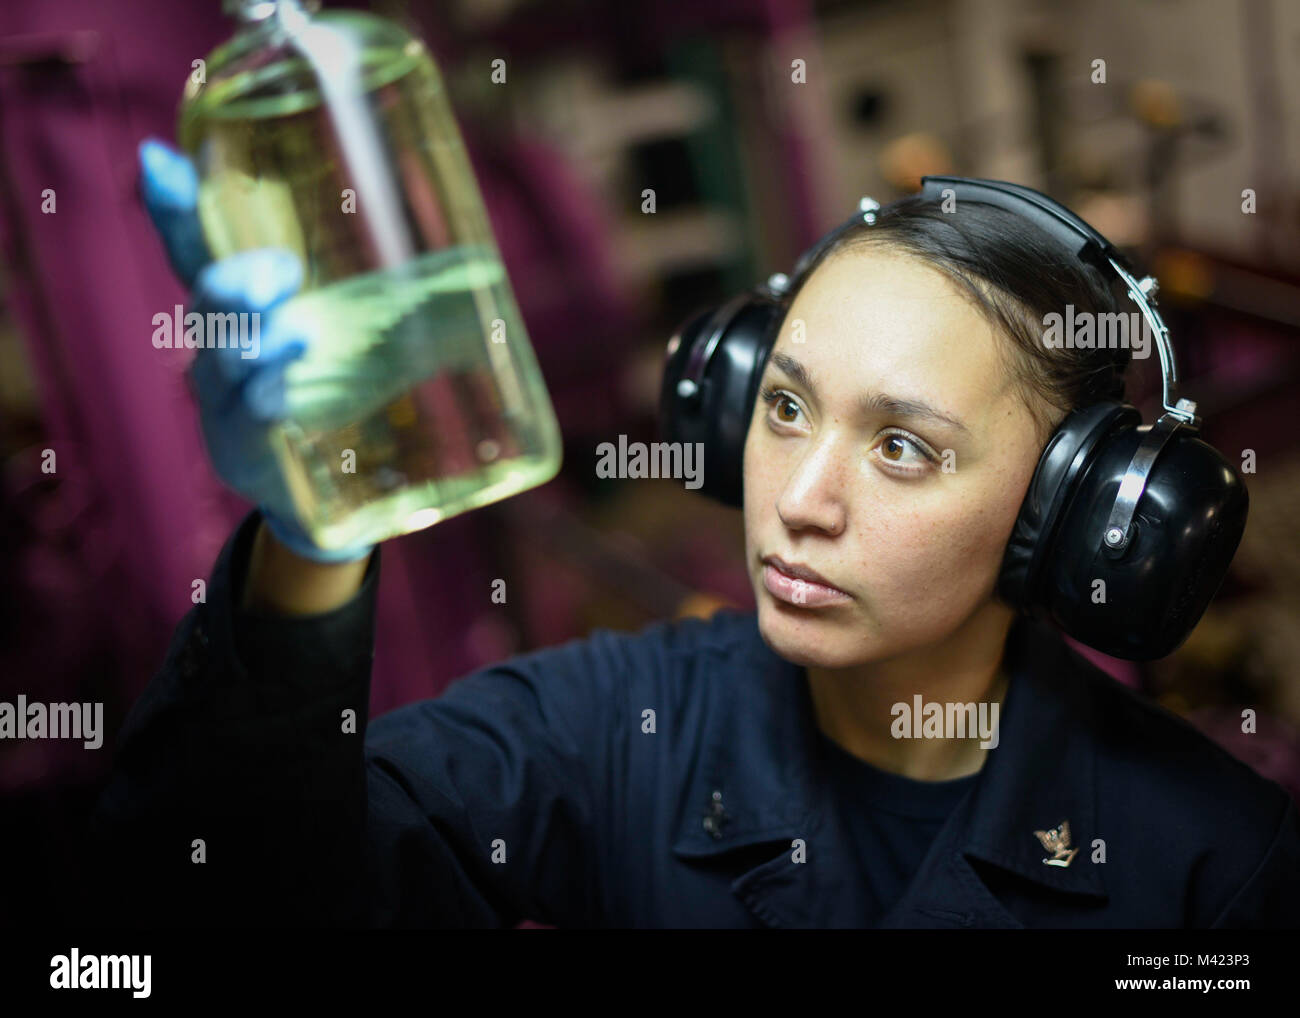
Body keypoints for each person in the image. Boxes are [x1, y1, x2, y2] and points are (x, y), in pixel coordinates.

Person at [86, 140, 1300, 929]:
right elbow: (213, 900)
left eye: (901, 447)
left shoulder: (1209, 873)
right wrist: (312, 537)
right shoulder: (617, 727)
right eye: (782, 405)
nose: (801, 498)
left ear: (1067, 519)